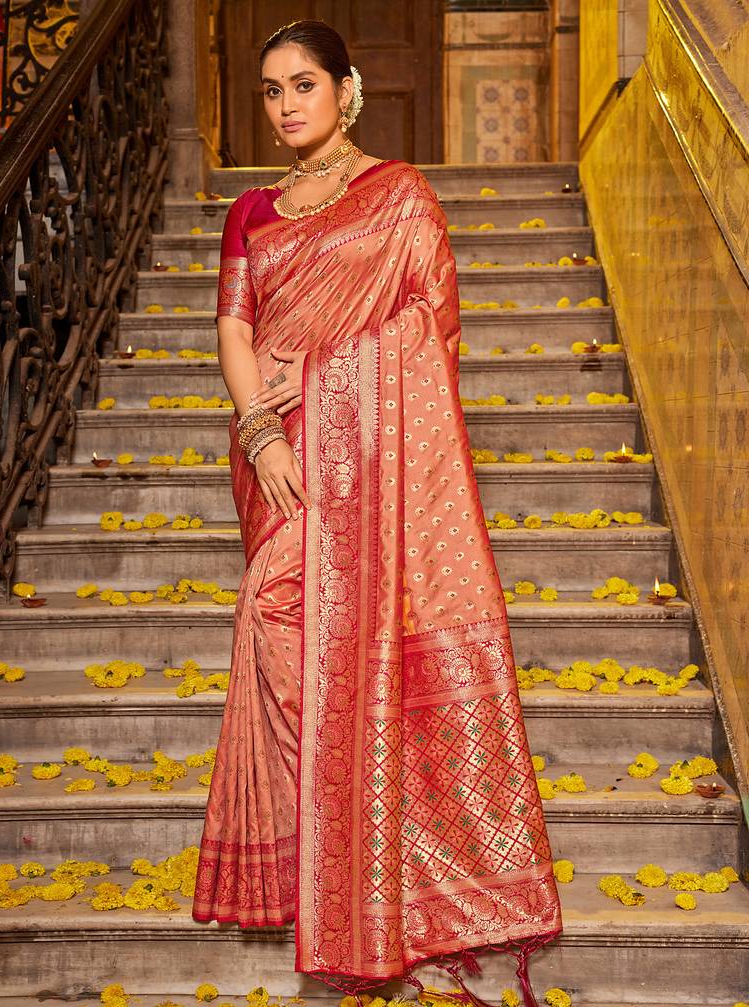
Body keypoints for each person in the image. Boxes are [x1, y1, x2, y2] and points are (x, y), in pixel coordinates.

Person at [192, 18, 563, 1006]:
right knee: (274, 622)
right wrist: (260, 427)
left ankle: (381, 879)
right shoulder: (250, 213)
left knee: (347, 652)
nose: (284, 105)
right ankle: (346, 852)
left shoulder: (399, 196)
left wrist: (342, 391)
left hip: (369, 465)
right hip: (285, 456)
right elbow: (235, 327)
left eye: (302, 85)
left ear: (346, 90)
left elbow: (428, 333)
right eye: (270, 90)